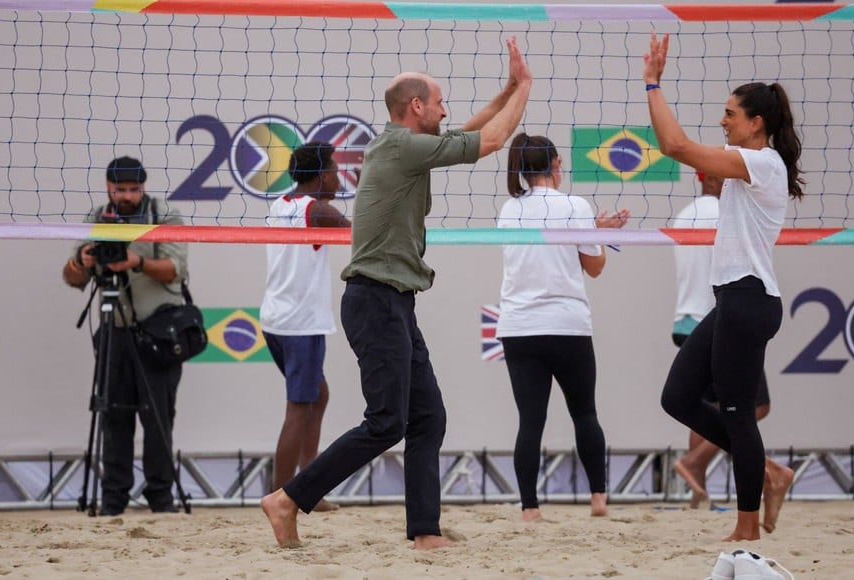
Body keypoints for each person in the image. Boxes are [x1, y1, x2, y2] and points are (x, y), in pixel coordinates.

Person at [262, 36, 533, 550]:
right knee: (387, 422)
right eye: (438, 102)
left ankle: (424, 532)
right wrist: (526, 87)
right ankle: (288, 498)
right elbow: (493, 142)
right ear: (416, 107)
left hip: (393, 303)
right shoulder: (400, 146)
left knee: (428, 417)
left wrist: (507, 89)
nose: (445, 110)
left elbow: (470, 131)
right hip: (375, 301)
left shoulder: (403, 148)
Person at [645, 32, 799, 541]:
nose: (723, 119)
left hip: (749, 300)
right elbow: (685, 149)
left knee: (738, 414)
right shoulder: (745, 163)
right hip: (733, 301)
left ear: (757, 123)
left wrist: (652, 83)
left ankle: (747, 530)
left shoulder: (761, 163)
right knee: (678, 397)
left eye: (731, 113)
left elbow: (674, 146)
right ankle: (772, 473)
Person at [496, 133, 630, 522]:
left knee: (530, 420)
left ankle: (529, 509)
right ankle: (599, 500)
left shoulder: (509, 209)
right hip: (567, 324)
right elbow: (595, 267)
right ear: (555, 163)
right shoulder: (575, 206)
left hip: (520, 325)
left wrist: (590, 228)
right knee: (584, 413)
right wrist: (597, 232)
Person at [63, 156, 188, 516]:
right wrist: (81, 262)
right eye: (121, 190)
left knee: (159, 415)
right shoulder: (97, 218)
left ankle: (160, 496)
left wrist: (137, 262)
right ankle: (112, 496)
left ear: (144, 187)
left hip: (158, 331)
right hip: (113, 329)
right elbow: (73, 279)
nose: (128, 196)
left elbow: (175, 271)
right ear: (108, 188)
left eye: (135, 189)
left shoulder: (164, 216)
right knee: (112, 415)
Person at [671, 172, 772, 509]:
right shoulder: (726, 214)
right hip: (717, 317)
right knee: (754, 406)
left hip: (685, 319)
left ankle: (697, 490)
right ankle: (695, 463)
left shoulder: (683, 215)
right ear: (716, 179)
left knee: (699, 406)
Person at [259, 142, 351, 511]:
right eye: (334, 169)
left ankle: (309, 486)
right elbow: (364, 236)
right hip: (299, 324)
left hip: (276, 319)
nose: (339, 176)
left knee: (319, 395)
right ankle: (283, 497)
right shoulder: (320, 211)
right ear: (322, 174)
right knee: (299, 407)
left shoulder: (280, 205)